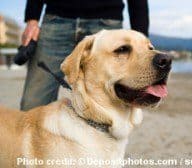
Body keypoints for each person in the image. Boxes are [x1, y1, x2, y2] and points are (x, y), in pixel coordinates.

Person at [21, 0, 149, 111]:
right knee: (32, 103)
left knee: (113, 104)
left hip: (107, 21)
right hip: (56, 19)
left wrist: (141, 37)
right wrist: (32, 19)